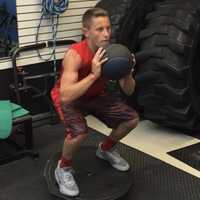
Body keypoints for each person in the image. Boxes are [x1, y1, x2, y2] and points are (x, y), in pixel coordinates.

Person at [51, 7, 139, 197]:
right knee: (79, 132)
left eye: (108, 28)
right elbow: (66, 95)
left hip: (95, 96)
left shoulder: (114, 53)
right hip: (70, 97)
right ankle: (63, 168)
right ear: (86, 32)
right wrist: (93, 75)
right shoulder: (75, 55)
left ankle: (105, 149)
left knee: (131, 119)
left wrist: (128, 72)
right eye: (100, 29)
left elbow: (129, 90)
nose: (106, 34)